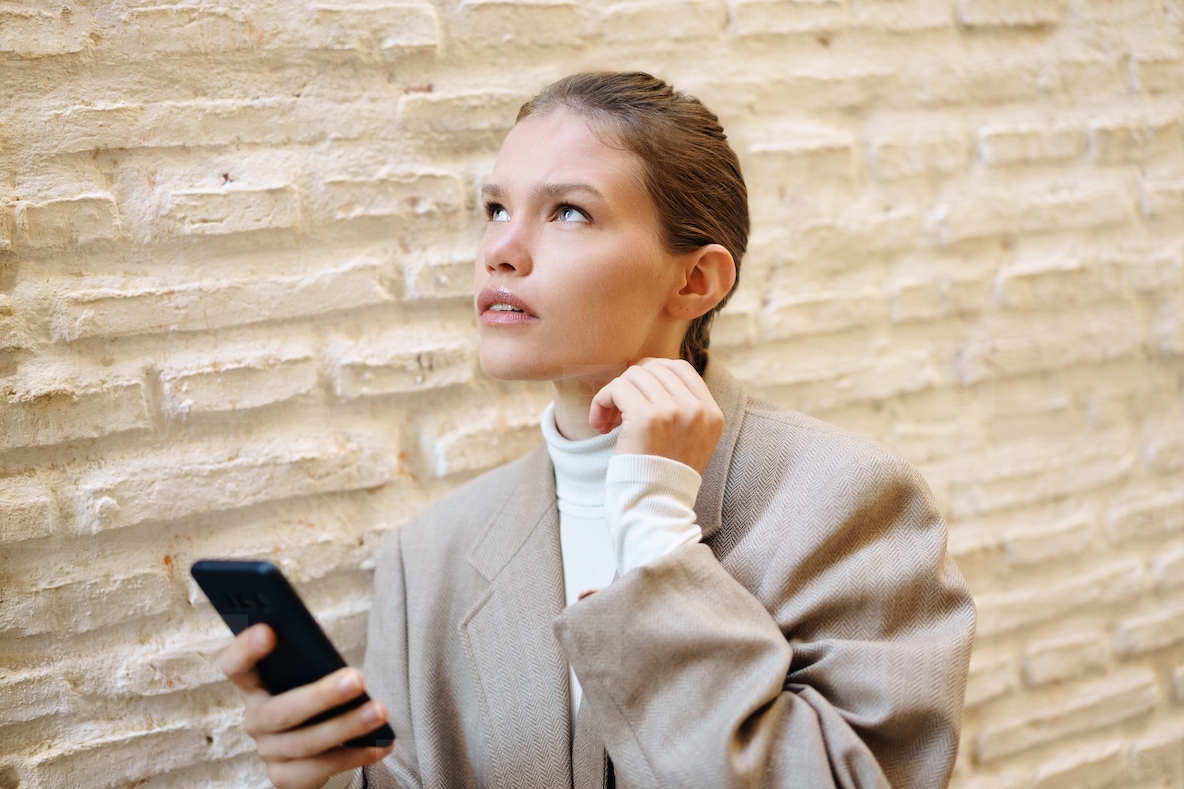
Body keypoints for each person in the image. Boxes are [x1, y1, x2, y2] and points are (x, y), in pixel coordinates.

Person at [218, 71, 976, 789]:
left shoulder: (849, 499)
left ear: (695, 280)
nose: (501, 250)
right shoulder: (432, 553)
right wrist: (321, 775)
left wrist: (654, 527)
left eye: (568, 211)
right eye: (495, 209)